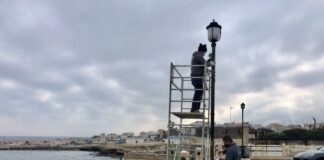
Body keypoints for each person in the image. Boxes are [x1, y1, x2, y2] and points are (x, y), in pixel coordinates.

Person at [190, 43, 212, 112]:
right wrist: (212, 63)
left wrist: (210, 59)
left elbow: (203, 63)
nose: (204, 54)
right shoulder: (198, 56)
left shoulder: (197, 56)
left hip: (196, 77)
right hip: (196, 77)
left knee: (199, 91)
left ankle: (195, 109)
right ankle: (194, 109)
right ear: (202, 51)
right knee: (199, 92)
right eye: (204, 53)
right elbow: (205, 64)